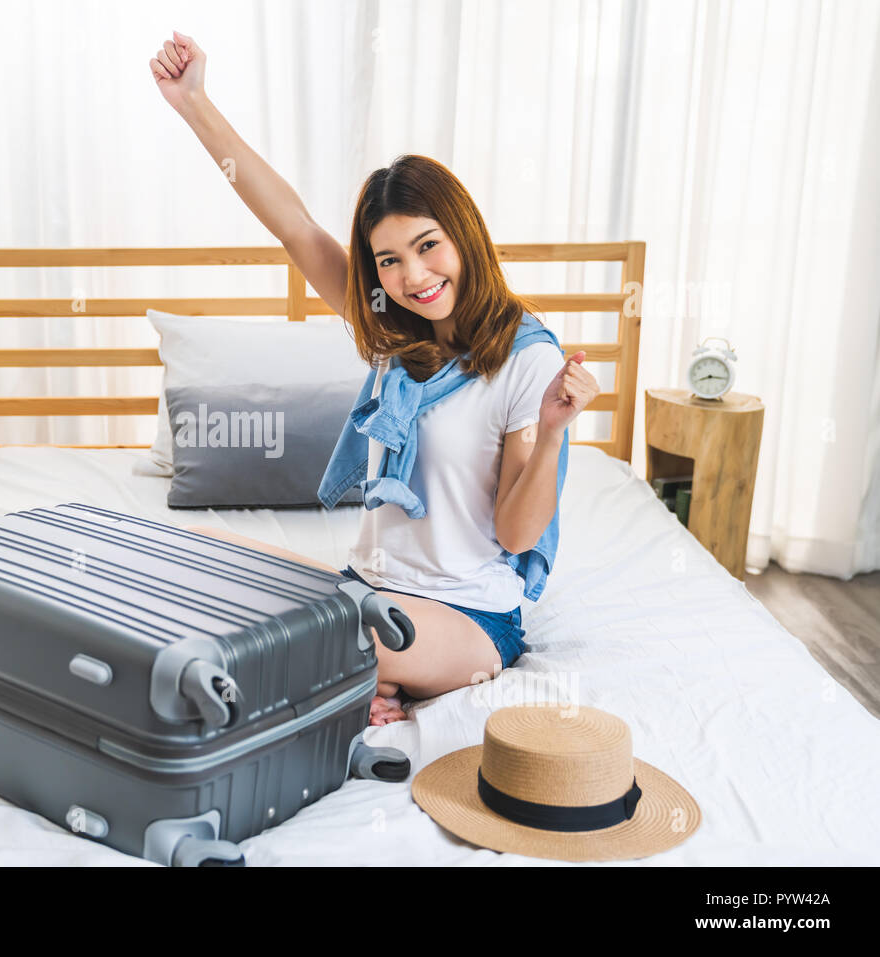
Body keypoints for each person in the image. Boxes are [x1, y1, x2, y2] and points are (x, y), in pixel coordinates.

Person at [150, 31, 599, 726]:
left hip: (469, 616)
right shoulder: (393, 336)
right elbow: (295, 227)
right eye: (389, 261)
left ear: (463, 236)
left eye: (427, 247)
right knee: (194, 555)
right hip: (366, 591)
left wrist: (551, 434)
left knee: (316, 639)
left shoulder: (526, 358)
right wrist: (194, 103)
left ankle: (356, 676)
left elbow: (515, 536)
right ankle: (362, 677)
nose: (413, 276)